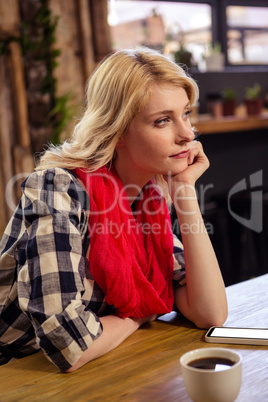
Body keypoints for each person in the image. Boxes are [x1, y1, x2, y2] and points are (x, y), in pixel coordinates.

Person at [0, 47, 228, 372]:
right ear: (118, 130)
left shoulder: (148, 194)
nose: (187, 135)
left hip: (97, 368)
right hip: (15, 373)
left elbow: (211, 313)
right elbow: (71, 345)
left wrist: (185, 192)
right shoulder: (57, 188)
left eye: (186, 113)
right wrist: (137, 315)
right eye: (163, 120)